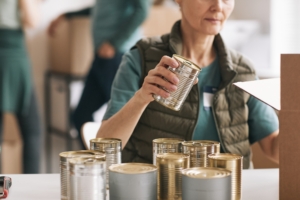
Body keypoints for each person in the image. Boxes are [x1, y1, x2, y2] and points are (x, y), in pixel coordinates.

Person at [97, 0, 279, 169]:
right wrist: (141, 99)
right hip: (160, 190)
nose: (217, 6)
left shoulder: (243, 70)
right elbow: (104, 147)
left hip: (229, 190)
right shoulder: (142, 58)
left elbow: (274, 148)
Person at [49, 0, 152, 148]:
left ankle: (120, 167)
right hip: (103, 59)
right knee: (81, 116)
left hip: (119, 57)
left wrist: (114, 43)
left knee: (125, 119)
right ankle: (97, 165)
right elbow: (103, 8)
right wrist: (67, 15)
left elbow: (142, 10)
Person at [0, 0, 42, 173]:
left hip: (12, 51)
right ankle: (31, 190)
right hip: (12, 53)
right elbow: (32, 20)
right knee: (33, 131)